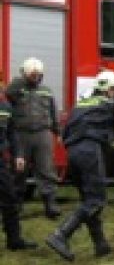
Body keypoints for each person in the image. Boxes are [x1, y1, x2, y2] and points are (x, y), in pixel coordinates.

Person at [45, 70, 114, 261]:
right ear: (108, 89)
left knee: (88, 198)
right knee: (96, 200)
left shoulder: (79, 105)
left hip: (73, 153)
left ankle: (100, 244)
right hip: (91, 151)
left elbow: (65, 132)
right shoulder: (109, 104)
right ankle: (61, 235)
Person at [6, 57, 61, 219]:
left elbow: (53, 111)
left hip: (43, 134)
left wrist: (57, 132)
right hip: (20, 134)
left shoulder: (46, 91)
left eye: (38, 74)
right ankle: (15, 206)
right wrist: (21, 80)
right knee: (18, 171)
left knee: (46, 170)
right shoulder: (16, 89)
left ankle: (50, 204)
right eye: (32, 74)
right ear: (24, 73)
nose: (35, 77)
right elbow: (7, 95)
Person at [0, 77, 37, 251]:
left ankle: (14, 240)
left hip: (1, 160)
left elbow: (12, 132)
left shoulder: (6, 105)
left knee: (10, 198)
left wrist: (19, 155)